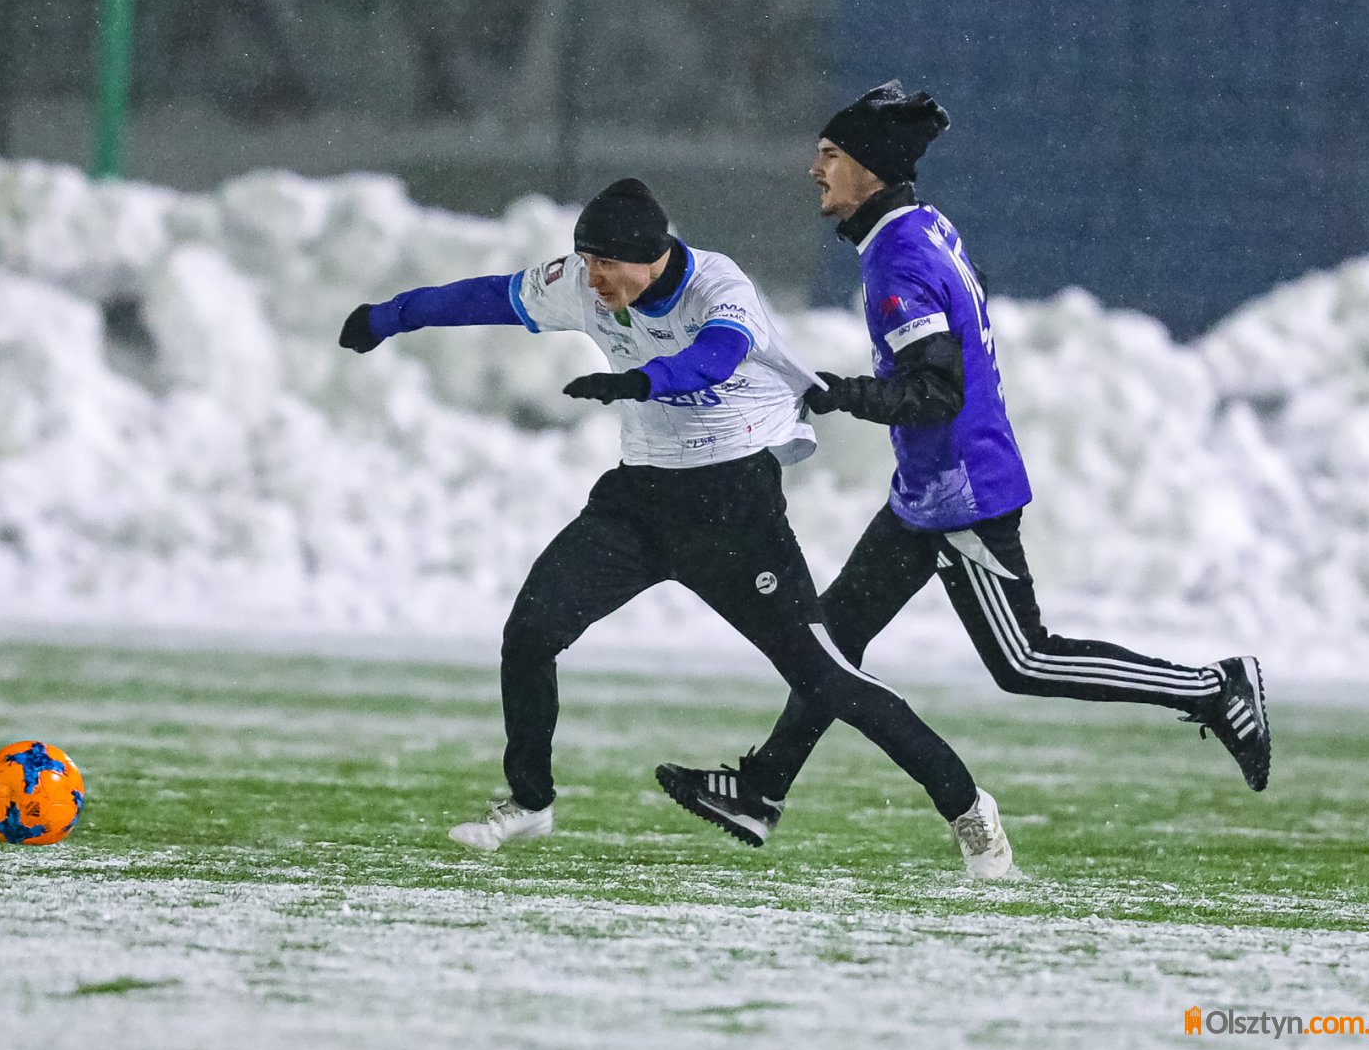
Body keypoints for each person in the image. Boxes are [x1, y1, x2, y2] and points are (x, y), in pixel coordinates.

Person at [338, 177, 1016, 877]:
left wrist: (640, 382)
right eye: (587, 261)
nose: (594, 279)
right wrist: (390, 316)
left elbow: (713, 357)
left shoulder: (719, 286)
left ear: (654, 255)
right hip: (637, 504)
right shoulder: (581, 281)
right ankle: (529, 799)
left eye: (609, 265)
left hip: (735, 509)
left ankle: (969, 808)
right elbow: (486, 296)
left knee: (826, 680)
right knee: (531, 633)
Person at [654, 82, 1271, 848]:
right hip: (930, 490)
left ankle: (1213, 688)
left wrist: (838, 392)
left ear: (870, 171)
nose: (815, 171)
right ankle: (761, 791)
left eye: (831, 156)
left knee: (1024, 661)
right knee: (833, 642)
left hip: (961, 496)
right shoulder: (917, 226)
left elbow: (936, 391)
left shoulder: (897, 259)